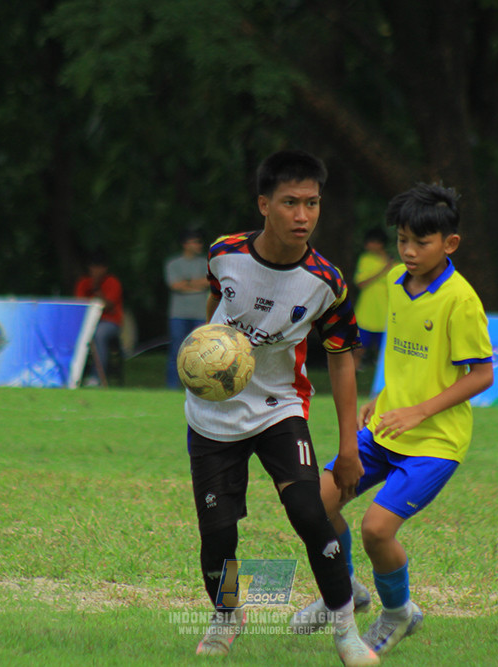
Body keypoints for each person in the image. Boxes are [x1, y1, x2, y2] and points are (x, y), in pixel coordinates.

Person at [187, 150, 378, 666]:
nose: (303, 215)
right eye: (290, 203)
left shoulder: (327, 284)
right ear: (264, 205)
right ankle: (227, 614)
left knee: (309, 512)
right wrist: (208, 355)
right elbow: (215, 304)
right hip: (213, 415)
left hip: (278, 408)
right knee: (218, 533)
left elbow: (341, 363)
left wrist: (347, 447)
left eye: (312, 203)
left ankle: (345, 630)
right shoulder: (224, 254)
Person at [290, 183, 494, 657]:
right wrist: (381, 398)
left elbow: (482, 374)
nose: (408, 250)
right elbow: (404, 359)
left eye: (420, 243)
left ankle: (399, 613)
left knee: (377, 530)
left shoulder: (460, 300)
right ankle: (345, 591)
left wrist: (419, 410)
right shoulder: (397, 284)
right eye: (402, 239)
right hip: (384, 429)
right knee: (313, 507)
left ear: (450, 244)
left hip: (434, 442)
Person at [165, 229, 209, 389]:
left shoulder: (205, 263)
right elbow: (175, 285)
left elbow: (208, 282)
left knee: (201, 352)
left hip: (200, 313)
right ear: (185, 244)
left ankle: (199, 387)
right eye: (195, 242)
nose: (199, 245)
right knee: (176, 351)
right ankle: (172, 387)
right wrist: (197, 284)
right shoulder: (173, 263)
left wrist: (187, 284)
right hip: (178, 314)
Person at [73, 248, 124, 386]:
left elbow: (108, 305)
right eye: (93, 267)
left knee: (99, 334)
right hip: (86, 323)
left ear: (105, 268)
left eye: (99, 267)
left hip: (110, 322)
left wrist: (96, 289)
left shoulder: (112, 282)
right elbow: (79, 306)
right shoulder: (83, 283)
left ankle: (97, 377)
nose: (95, 270)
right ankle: (72, 375)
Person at [352, 226, 395, 372]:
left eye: (371, 242)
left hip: (385, 317)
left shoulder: (395, 265)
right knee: (358, 351)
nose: (367, 245)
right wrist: (383, 270)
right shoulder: (365, 259)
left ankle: (381, 387)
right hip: (365, 315)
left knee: (385, 354)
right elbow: (360, 282)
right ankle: (351, 384)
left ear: (380, 243)